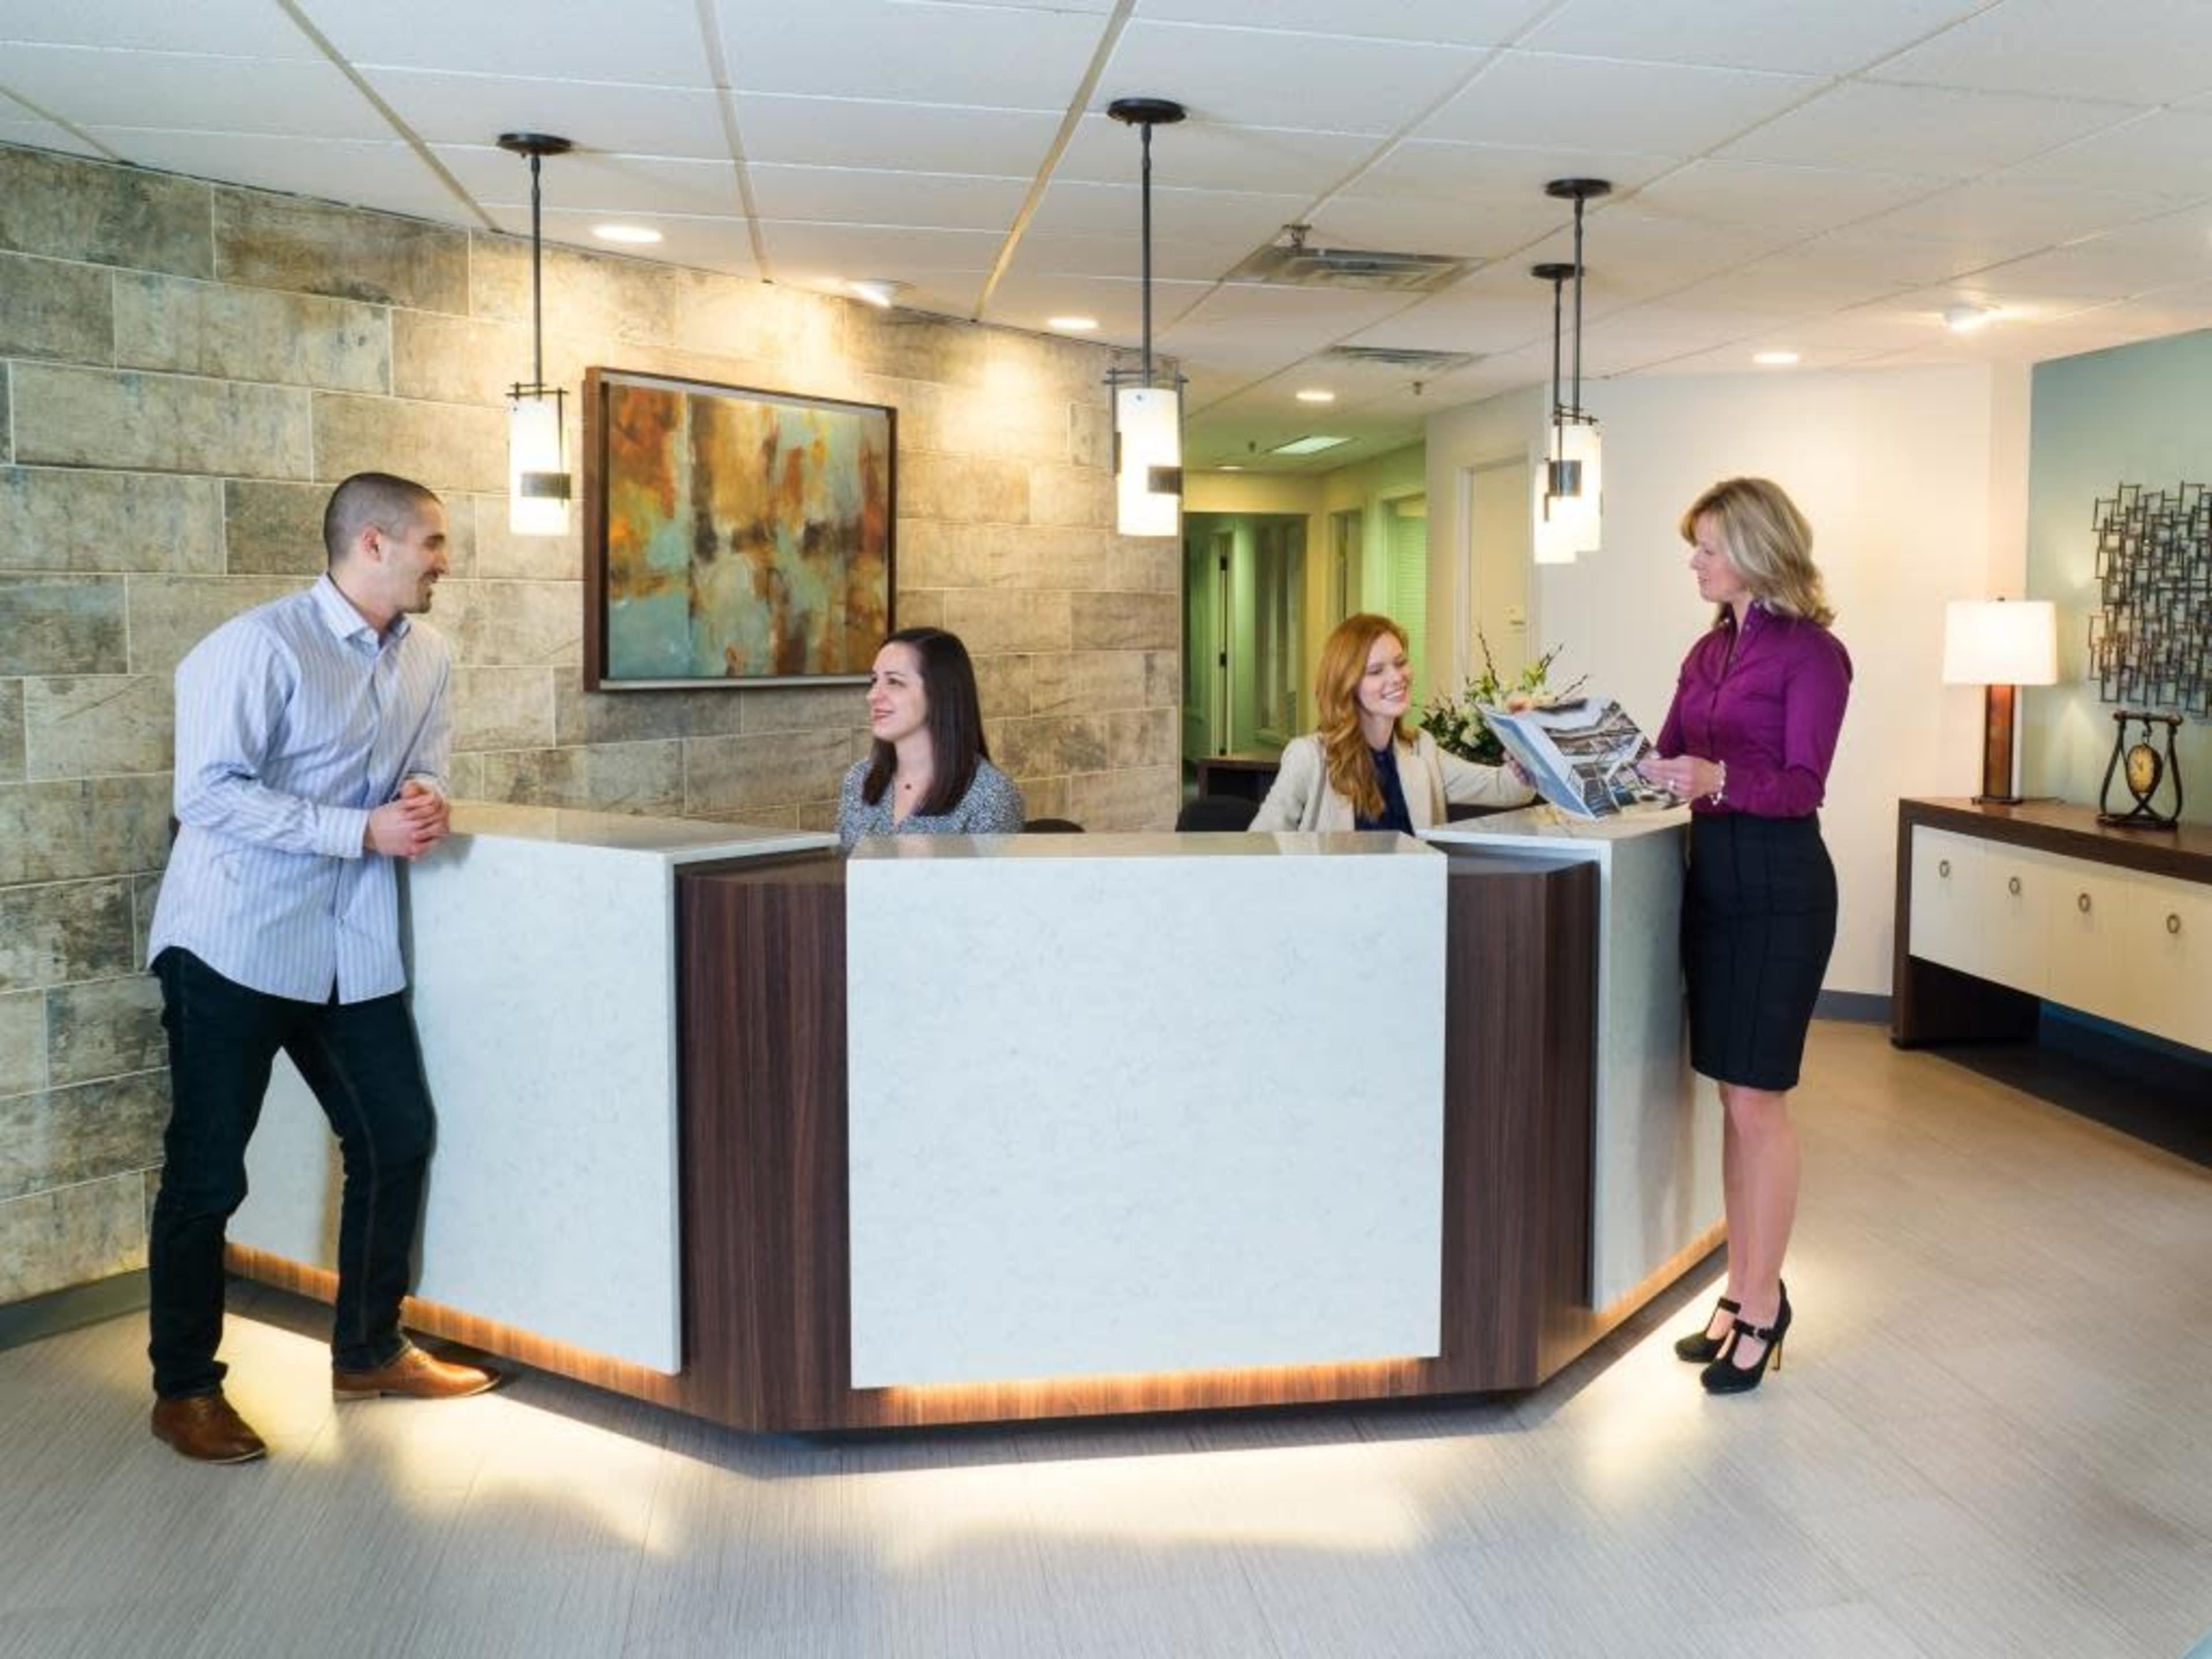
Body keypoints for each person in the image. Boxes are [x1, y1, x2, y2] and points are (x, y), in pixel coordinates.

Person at [144, 471, 498, 1465]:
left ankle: (369, 1349)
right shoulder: (257, 647)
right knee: (209, 1173)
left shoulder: (429, 654)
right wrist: (360, 829)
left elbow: (426, 758)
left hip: (348, 943)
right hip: (234, 940)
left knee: (398, 1135)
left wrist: (425, 798)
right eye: (433, 540)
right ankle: (183, 1389)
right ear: (372, 544)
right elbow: (205, 794)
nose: (445, 560)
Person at [1638, 477, 1851, 1396]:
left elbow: (1801, 785)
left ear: (1756, 550)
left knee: (1759, 1103)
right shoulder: (1705, 650)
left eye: (1708, 545)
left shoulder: (1816, 657)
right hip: (1713, 887)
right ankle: (1739, 1289)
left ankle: (1764, 1306)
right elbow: (1668, 754)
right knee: (1732, 1098)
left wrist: (1713, 779)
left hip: (1779, 889)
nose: (1694, 559)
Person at [1250, 612, 1531, 834]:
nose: (1397, 678)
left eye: (1400, 663)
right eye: (1376, 671)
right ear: (1347, 684)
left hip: (1415, 902)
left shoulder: (1423, 749)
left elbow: (1509, 790)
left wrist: (1525, 735)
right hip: (1336, 904)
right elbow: (1258, 847)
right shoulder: (1309, 756)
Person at [836, 626, 1024, 851]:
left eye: (894, 682)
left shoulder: (991, 796)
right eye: (874, 680)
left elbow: (990, 885)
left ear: (939, 692)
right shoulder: (858, 781)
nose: (873, 695)